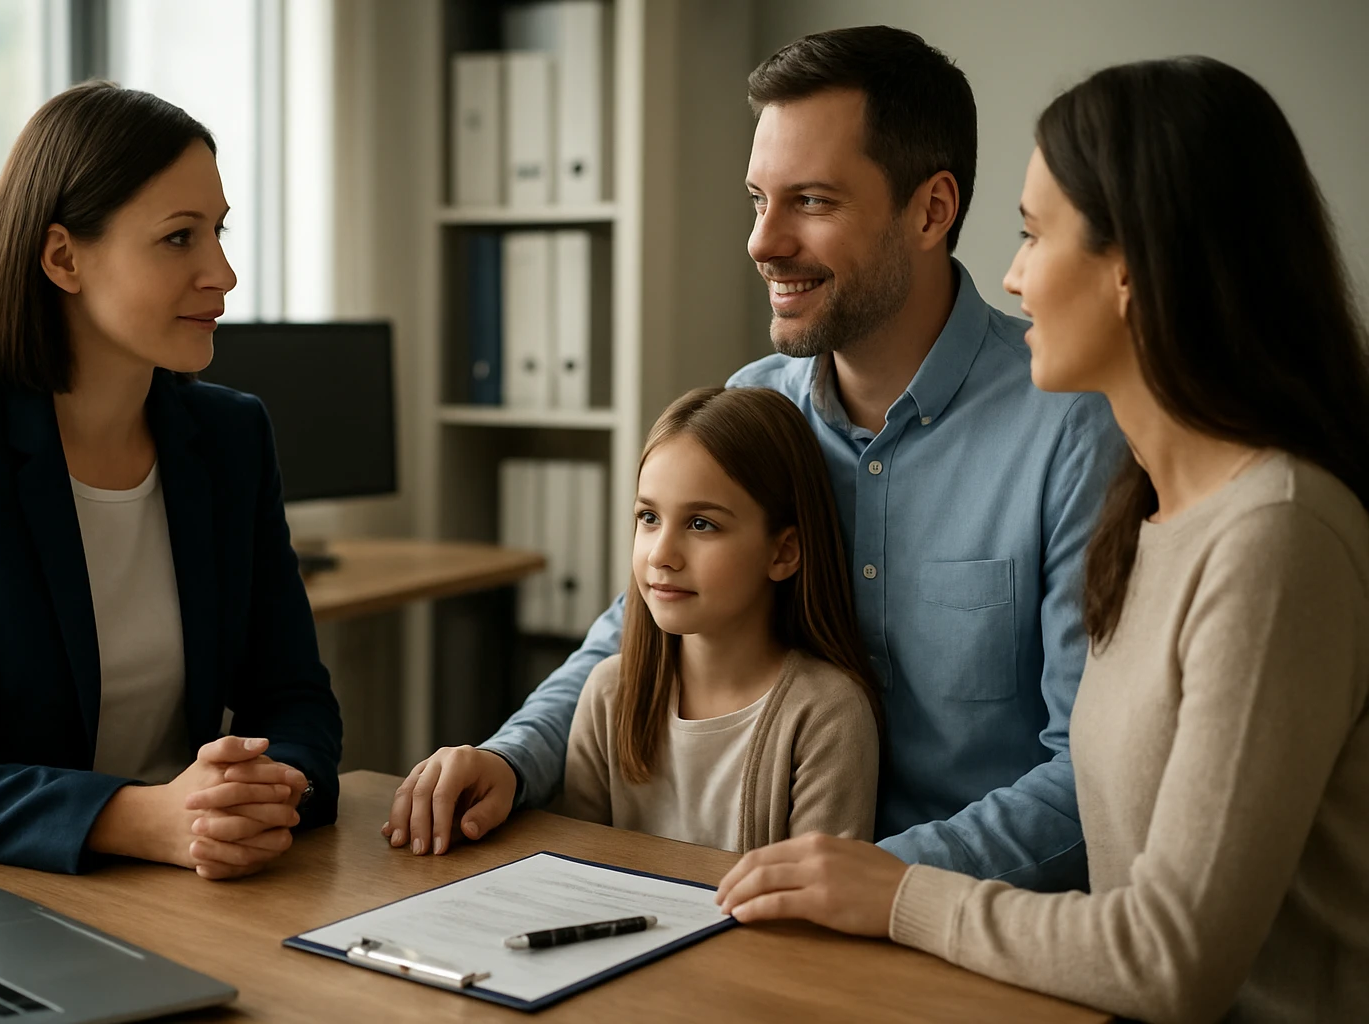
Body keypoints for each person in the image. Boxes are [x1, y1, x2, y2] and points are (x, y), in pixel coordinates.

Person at [385, 25, 1123, 889]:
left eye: (811, 201)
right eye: (757, 200)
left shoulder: (1072, 429)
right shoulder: (757, 405)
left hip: (960, 916)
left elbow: (1088, 777)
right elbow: (629, 637)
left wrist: (876, 879)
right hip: (755, 902)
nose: (762, 242)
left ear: (931, 210)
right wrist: (510, 758)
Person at [715, 57, 1369, 1023]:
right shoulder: (1153, 511)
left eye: (1032, 234)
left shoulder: (1275, 538)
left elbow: (1171, 958)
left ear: (1132, 269)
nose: (1012, 277)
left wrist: (895, 894)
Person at [0, 82, 342, 879]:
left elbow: (294, 698)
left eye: (218, 232)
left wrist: (271, 792)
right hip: (15, 896)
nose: (223, 273)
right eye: (179, 238)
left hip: (198, 880)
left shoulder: (232, 438)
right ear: (63, 258)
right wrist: (142, 818)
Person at [560, 387, 880, 852]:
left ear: (783, 552)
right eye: (648, 517)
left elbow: (817, 891)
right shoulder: (609, 692)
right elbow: (571, 870)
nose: (661, 555)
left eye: (701, 524)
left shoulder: (828, 715)